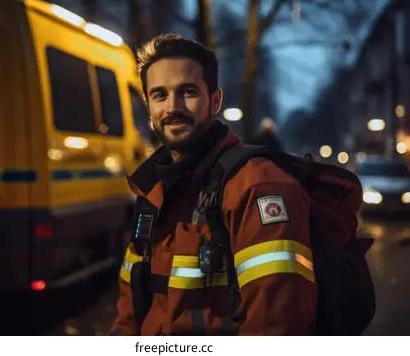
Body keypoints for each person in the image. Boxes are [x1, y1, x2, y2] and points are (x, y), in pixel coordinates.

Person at [108, 33, 317, 336]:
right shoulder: (152, 191)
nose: (172, 107)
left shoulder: (258, 187)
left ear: (214, 100)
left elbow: (275, 328)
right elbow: (129, 311)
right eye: (159, 95)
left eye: (188, 92)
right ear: (148, 104)